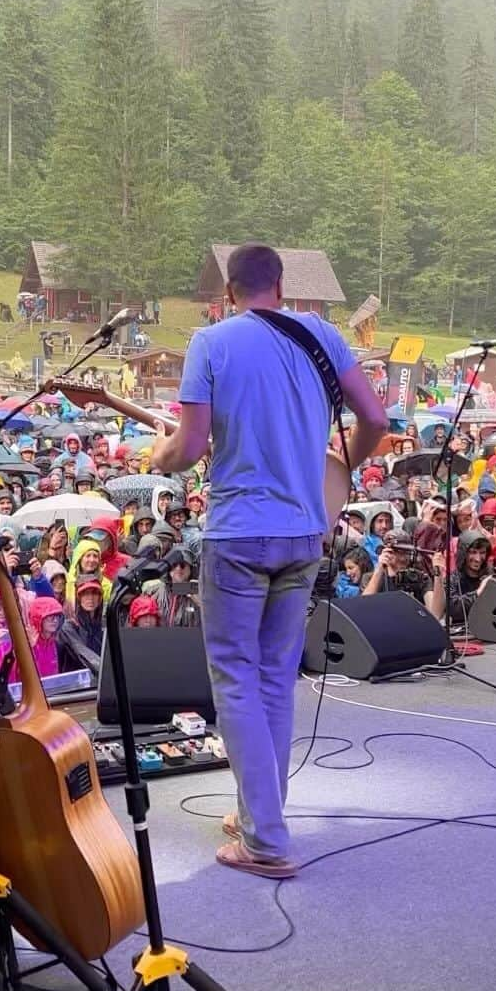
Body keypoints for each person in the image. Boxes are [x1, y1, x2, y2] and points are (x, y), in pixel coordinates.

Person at [150, 241, 387, 877]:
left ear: (229, 292)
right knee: (276, 680)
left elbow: (191, 445)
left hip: (238, 534)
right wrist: (342, 468)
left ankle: (266, 841)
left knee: (234, 679)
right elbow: (376, 417)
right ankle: (263, 811)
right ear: (281, 287)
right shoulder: (322, 335)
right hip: (304, 532)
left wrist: (159, 457)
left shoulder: (212, 343)